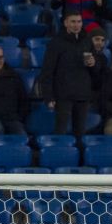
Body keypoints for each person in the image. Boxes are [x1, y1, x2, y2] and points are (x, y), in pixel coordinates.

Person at [39, 11, 99, 140]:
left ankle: (81, 159)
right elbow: (47, 71)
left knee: (80, 134)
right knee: (60, 132)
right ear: (66, 23)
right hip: (63, 95)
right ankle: (58, 159)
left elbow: (96, 70)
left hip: (82, 94)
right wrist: (48, 97)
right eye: (73, 21)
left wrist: (93, 63)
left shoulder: (87, 41)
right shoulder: (56, 43)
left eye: (79, 21)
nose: (76, 25)